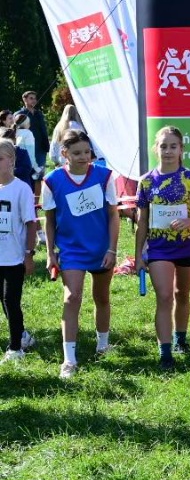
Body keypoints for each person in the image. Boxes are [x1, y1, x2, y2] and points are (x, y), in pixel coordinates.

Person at [44, 128, 119, 379]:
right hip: (71, 250)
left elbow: (113, 215)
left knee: (102, 297)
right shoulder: (52, 181)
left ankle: (103, 345)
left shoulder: (105, 176)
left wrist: (112, 249)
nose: (84, 157)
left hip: (101, 249)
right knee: (72, 297)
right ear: (64, 153)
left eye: (87, 152)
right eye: (77, 153)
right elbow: (49, 220)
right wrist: (50, 253)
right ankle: (69, 360)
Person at [135, 126, 190, 371]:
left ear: (181, 149)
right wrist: (138, 255)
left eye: (173, 146)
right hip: (158, 249)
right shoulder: (146, 181)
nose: (168, 151)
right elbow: (141, 221)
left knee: (182, 294)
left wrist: (189, 221)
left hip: (187, 246)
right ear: (156, 149)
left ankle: (181, 339)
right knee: (164, 296)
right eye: (163, 146)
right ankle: (165, 352)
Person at [0, 142, 37, 362]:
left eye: (0, 159)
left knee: (11, 301)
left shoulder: (21, 189)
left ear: (11, 161)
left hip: (14, 257)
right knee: (3, 301)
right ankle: (22, 336)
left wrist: (29, 254)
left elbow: (30, 223)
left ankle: (15, 349)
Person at [15, 90, 49, 172]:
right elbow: (15, 131)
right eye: (31, 98)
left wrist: (46, 145)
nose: (34, 100)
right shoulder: (19, 114)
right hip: (26, 148)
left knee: (39, 174)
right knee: (28, 173)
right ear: (25, 100)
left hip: (41, 148)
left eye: (35, 98)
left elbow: (43, 130)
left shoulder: (39, 114)